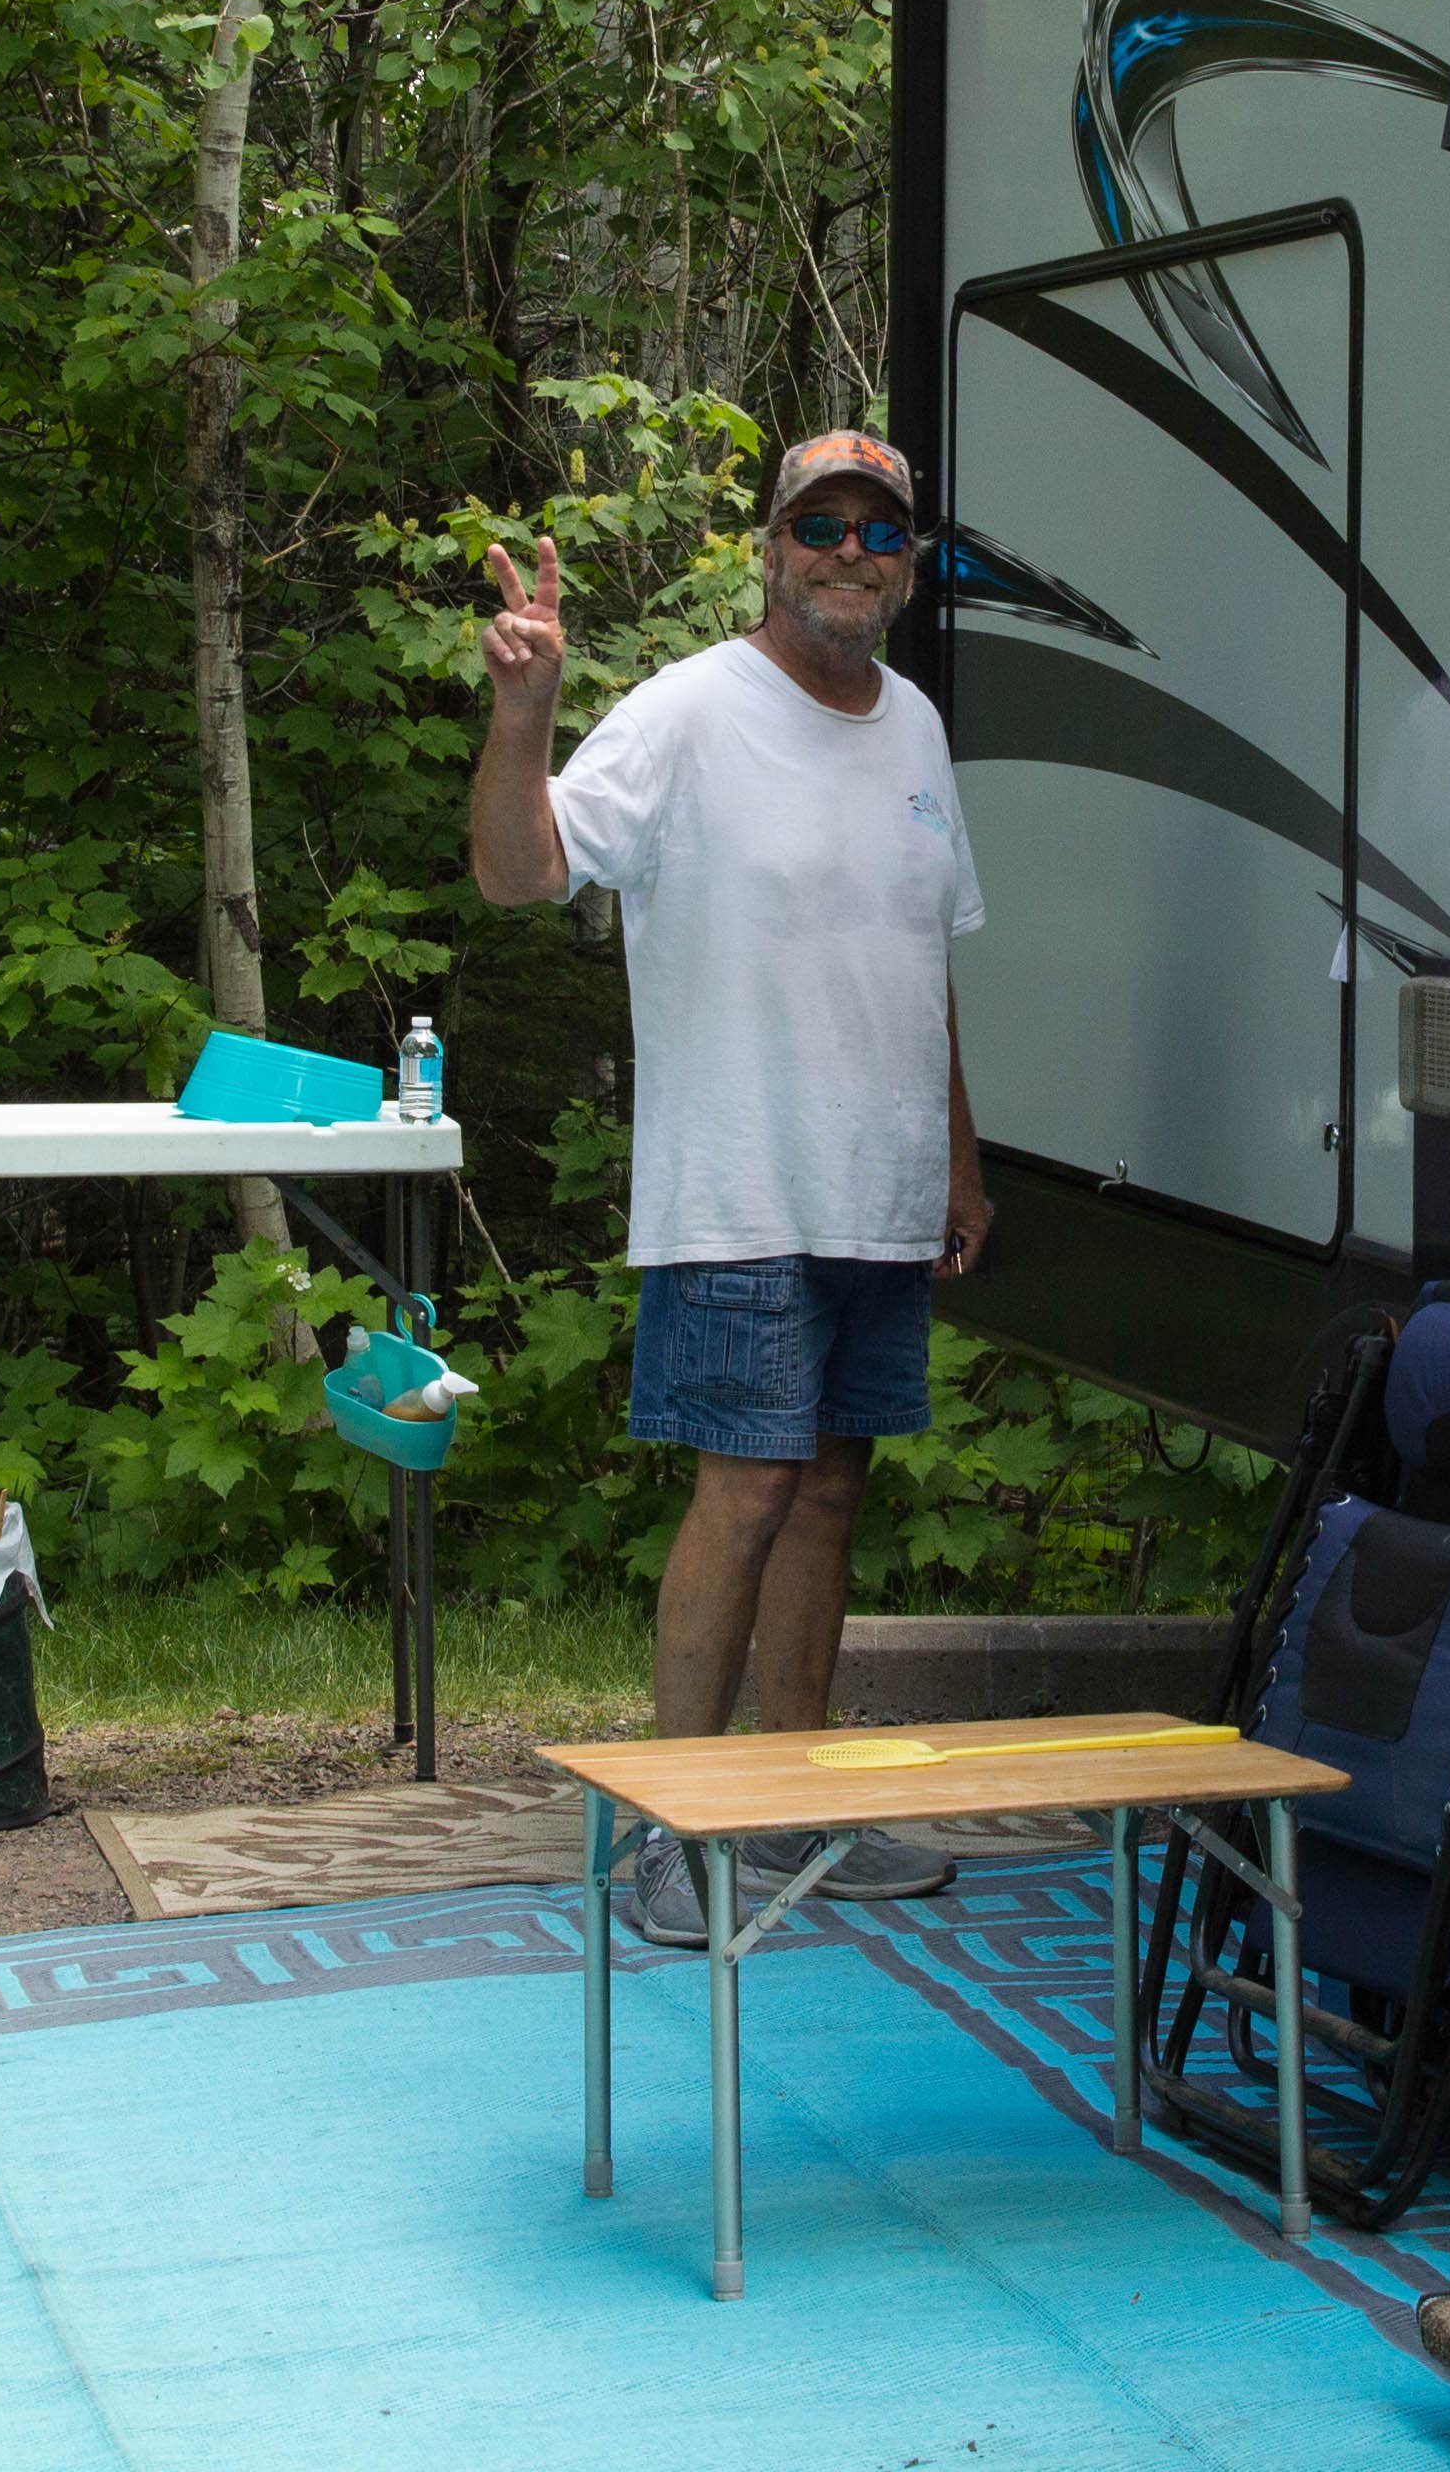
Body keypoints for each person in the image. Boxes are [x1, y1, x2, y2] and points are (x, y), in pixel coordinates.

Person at [471, 428, 991, 1945]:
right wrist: (525, 716)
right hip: (738, 1186)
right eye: (818, 526)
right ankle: (673, 1825)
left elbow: (928, 958)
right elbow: (521, 872)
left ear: (905, 563)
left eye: (876, 532)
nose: (847, 552)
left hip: (882, 1192)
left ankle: (789, 1803)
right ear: (770, 550)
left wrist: (959, 1157)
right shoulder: (688, 713)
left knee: (834, 1489)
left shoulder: (916, 731)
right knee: (748, 1488)